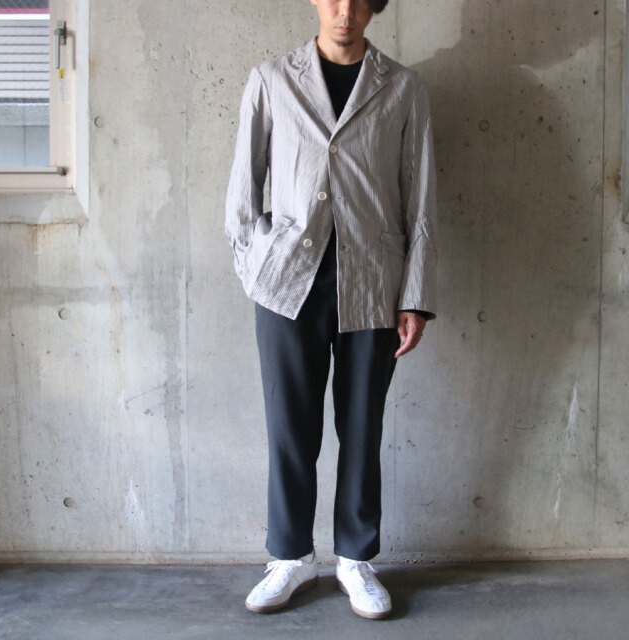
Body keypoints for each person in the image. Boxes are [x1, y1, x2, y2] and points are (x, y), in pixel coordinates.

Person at [224, 0, 437, 620]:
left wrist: (415, 297)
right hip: (288, 282)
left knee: (362, 426)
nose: (345, 11)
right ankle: (289, 556)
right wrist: (256, 269)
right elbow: (242, 190)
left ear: (374, 6)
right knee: (289, 425)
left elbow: (421, 199)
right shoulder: (271, 80)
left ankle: (355, 558)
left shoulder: (403, 89)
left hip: (373, 280)